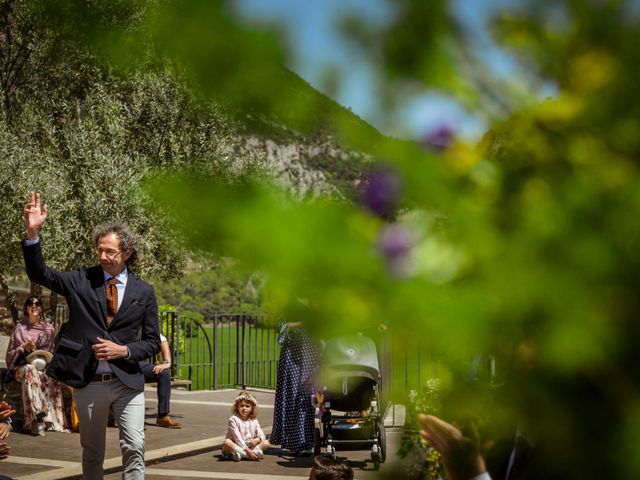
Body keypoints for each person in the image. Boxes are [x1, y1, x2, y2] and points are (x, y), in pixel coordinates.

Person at [22, 191, 161, 480]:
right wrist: (32, 233)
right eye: (99, 250)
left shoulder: (144, 292)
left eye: (110, 251)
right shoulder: (81, 280)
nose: (103, 256)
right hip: (89, 382)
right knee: (92, 451)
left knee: (135, 445)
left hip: (128, 382)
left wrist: (123, 351)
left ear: (127, 253)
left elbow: (151, 341)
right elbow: (40, 274)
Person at [4, 296, 69, 435]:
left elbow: (50, 353)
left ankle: (35, 421)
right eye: (30, 303)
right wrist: (23, 347)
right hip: (21, 367)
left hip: (41, 367)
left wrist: (37, 352)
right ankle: (40, 411)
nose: (34, 306)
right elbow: (9, 355)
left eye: (37, 303)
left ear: (40, 308)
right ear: (26, 308)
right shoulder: (19, 327)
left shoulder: (48, 328)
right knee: (29, 369)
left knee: (36, 371)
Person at [271, 317, 319, 455]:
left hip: (309, 355)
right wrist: (300, 323)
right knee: (291, 398)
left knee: (306, 400)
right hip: (291, 356)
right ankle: (294, 443)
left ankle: (306, 443)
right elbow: (279, 325)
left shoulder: (312, 306)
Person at [139, 333, 182, 428]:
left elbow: (162, 339)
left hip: (138, 364)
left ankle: (163, 416)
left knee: (163, 373)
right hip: (118, 364)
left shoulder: (141, 321)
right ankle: (113, 417)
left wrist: (167, 362)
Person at [222, 391, 270, 461]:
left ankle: (240, 455)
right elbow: (237, 438)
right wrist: (247, 451)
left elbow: (262, 435)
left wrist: (257, 439)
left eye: (247, 406)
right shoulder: (233, 419)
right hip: (236, 445)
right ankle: (250, 455)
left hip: (249, 445)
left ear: (251, 409)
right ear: (237, 407)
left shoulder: (254, 420)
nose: (244, 408)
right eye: (241, 406)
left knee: (266, 443)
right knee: (227, 442)